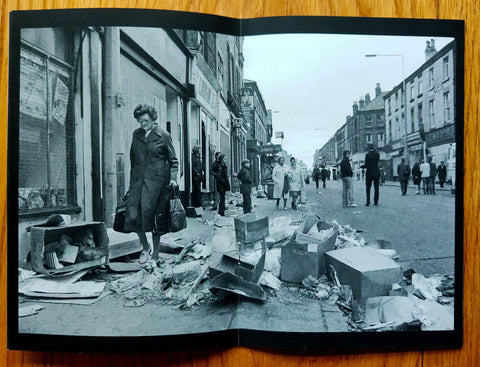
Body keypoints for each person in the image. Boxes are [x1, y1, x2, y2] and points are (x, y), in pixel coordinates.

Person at [125, 104, 178, 264]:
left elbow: (173, 160)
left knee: (156, 220)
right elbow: (132, 159)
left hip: (157, 185)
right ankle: (145, 246)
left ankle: (155, 254)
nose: (143, 124)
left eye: (145, 120)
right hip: (137, 183)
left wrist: (173, 178)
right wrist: (131, 182)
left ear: (153, 118)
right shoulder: (136, 134)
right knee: (133, 217)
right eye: (140, 120)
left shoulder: (163, 135)